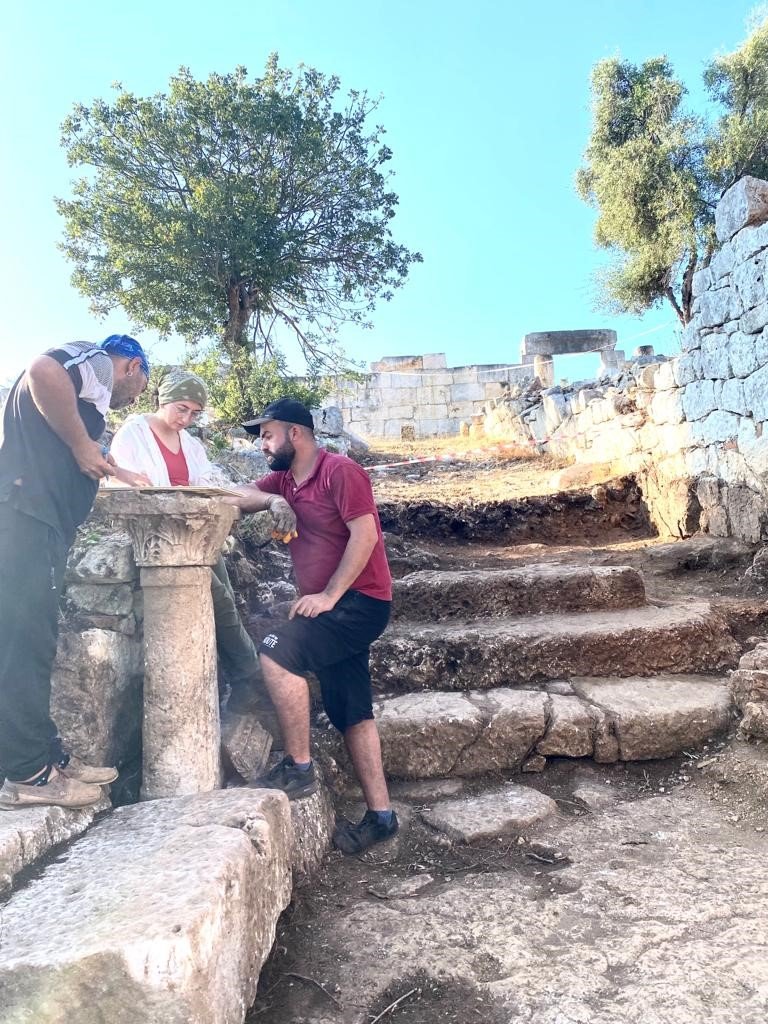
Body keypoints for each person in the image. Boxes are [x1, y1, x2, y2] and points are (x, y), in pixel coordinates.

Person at [227, 397, 398, 855]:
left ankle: (299, 767)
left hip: (360, 602)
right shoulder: (284, 479)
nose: (262, 444)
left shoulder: (340, 471)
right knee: (352, 710)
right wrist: (272, 498)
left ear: (295, 433)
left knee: (275, 648)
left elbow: (365, 535)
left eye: (267, 434)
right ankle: (382, 816)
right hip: (335, 608)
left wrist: (328, 596)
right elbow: (235, 497)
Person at [0, 335, 150, 810]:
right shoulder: (99, 363)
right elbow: (43, 369)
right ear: (133, 366)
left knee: (32, 638)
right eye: (142, 385)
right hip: (28, 519)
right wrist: (85, 445)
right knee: (25, 642)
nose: (136, 397)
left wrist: (110, 466)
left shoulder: (89, 394)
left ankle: (43, 757)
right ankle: (29, 775)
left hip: (36, 523)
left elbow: (70, 447)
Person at [109, 368, 260, 701]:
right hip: (157, 538)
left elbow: (206, 481)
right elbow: (118, 482)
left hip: (196, 533)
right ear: (165, 399)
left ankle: (233, 680)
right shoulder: (134, 432)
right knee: (217, 596)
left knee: (227, 599)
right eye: (182, 408)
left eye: (195, 413)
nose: (187, 418)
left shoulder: (191, 444)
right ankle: (252, 675)